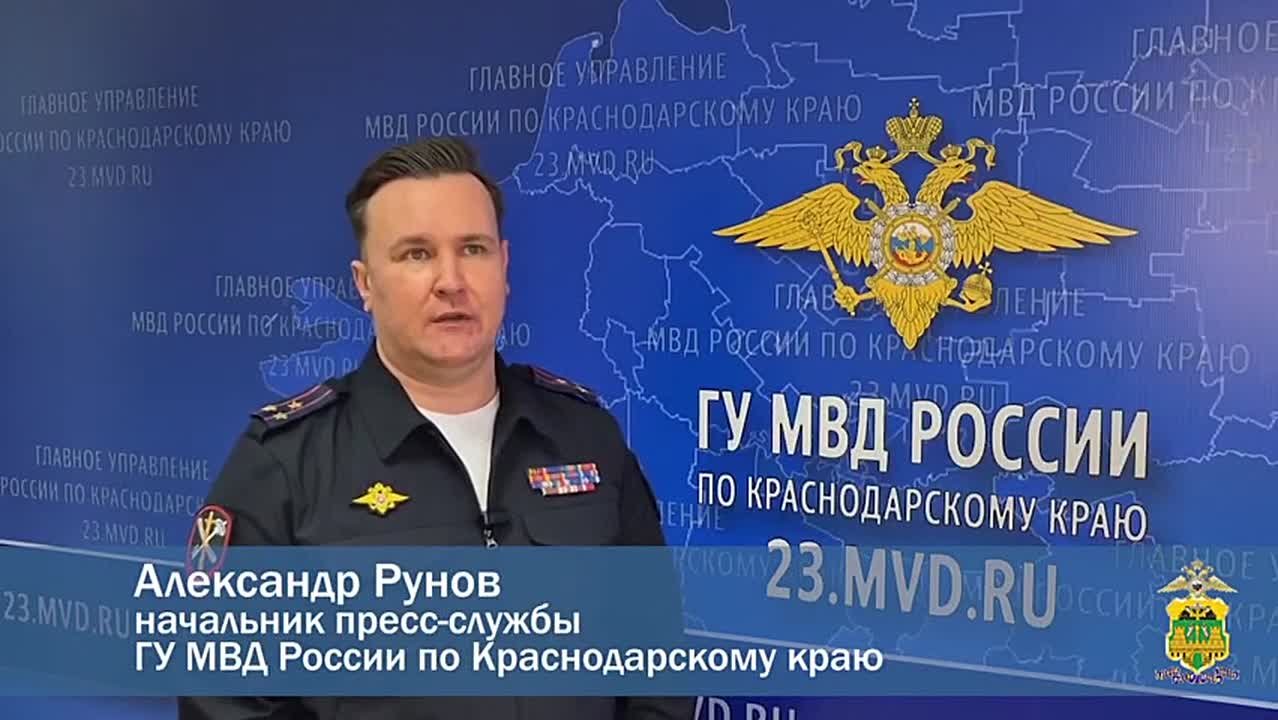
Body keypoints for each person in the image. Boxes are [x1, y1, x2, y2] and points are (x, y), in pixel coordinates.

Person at [178, 137, 694, 720]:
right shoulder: (284, 465)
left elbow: (656, 669)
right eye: (416, 254)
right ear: (365, 284)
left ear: (504, 267)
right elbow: (224, 701)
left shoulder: (586, 439)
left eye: (472, 249)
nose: (451, 280)